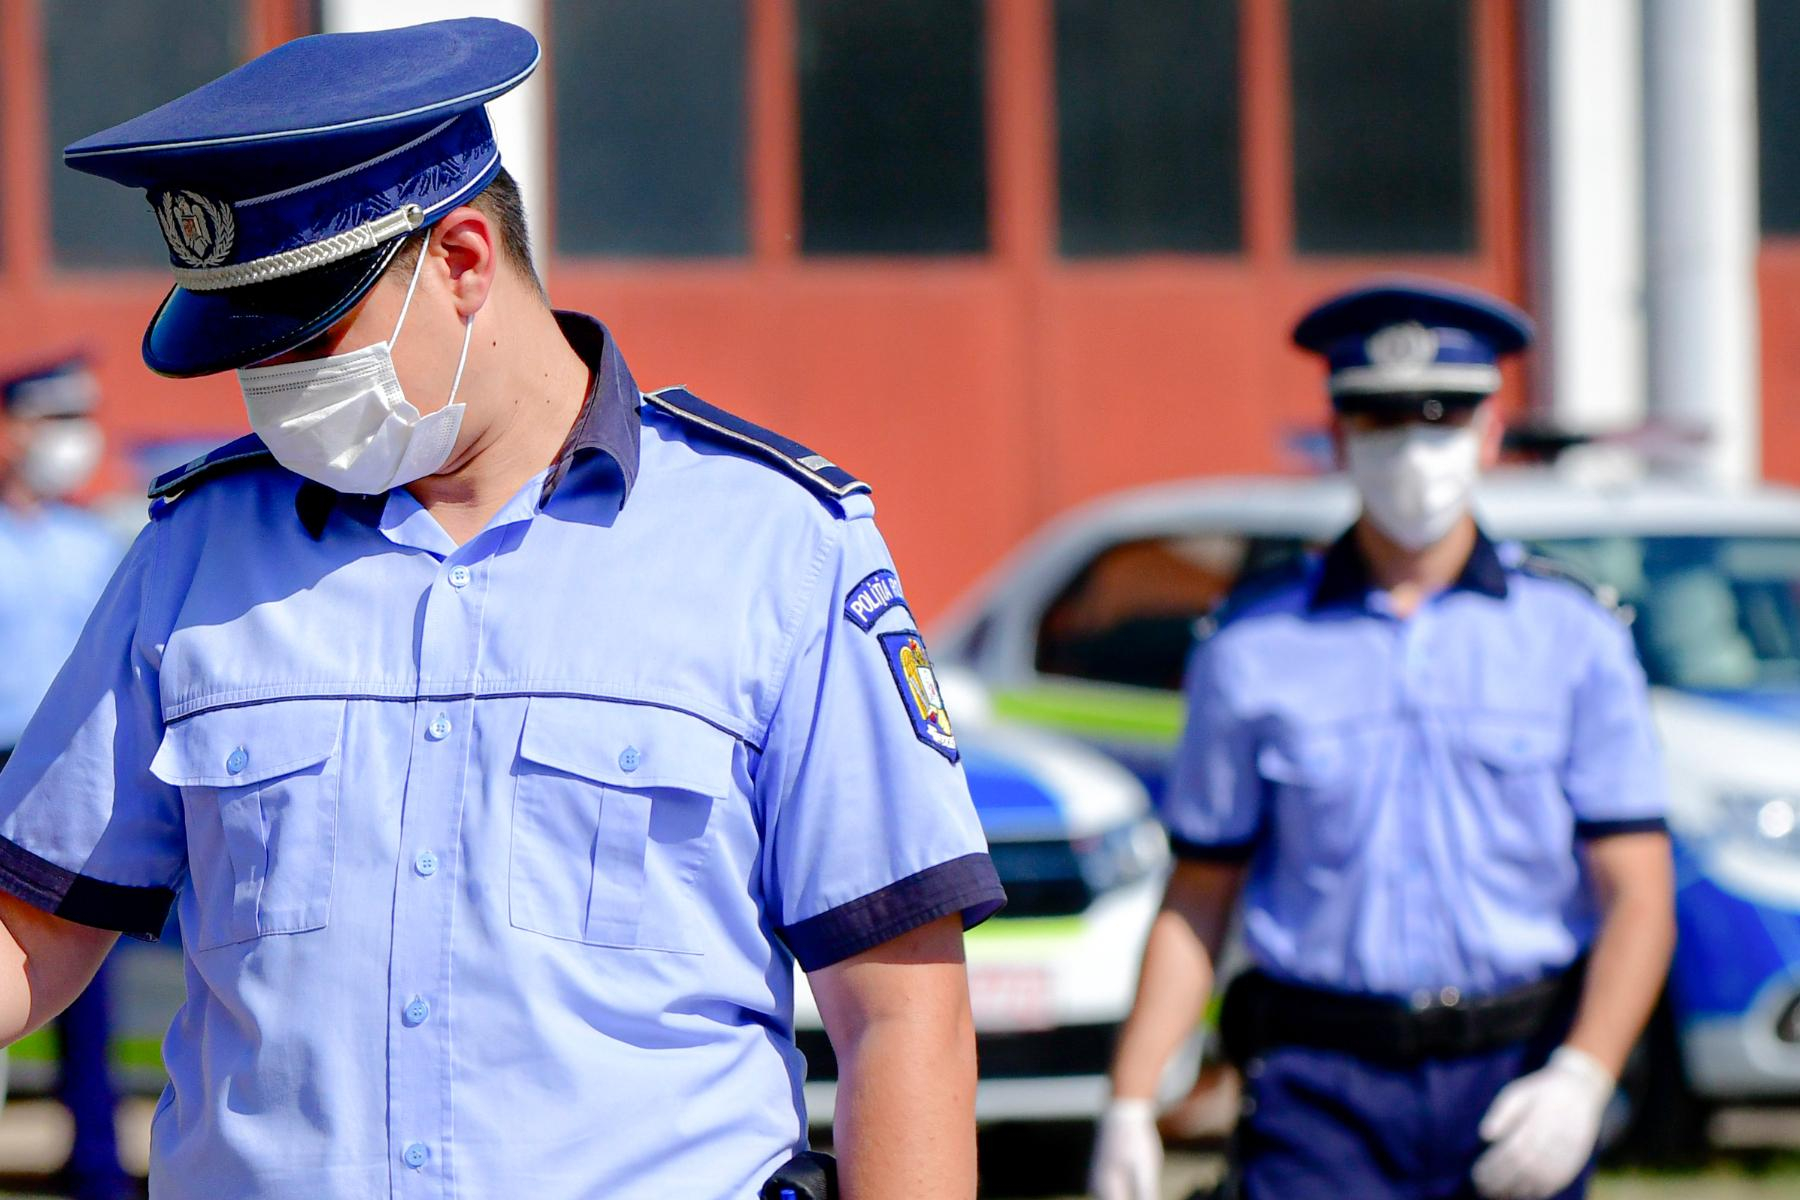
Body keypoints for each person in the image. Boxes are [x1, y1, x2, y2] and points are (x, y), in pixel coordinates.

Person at [0, 19, 1003, 1200]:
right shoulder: (198, 552)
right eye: (249, 349)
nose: (274, 390)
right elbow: (33, 929)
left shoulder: (771, 547)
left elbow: (902, 1013)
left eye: (312, 337)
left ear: (465, 260)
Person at [1088, 279, 1676, 1200]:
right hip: (1321, 1086)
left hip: (1517, 1069)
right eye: (1381, 417)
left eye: (1441, 417)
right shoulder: (1250, 646)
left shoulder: (1576, 637)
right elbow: (1200, 891)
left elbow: (1638, 890)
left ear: (1488, 434)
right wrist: (1131, 1097)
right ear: (1336, 435)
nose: (1412, 448)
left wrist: (1586, 1074)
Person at [0, 356, 134, 1200]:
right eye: (52, 423)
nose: (69, 444)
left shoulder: (96, 542)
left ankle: (96, 1172)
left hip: (65, 780)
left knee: (84, 984)